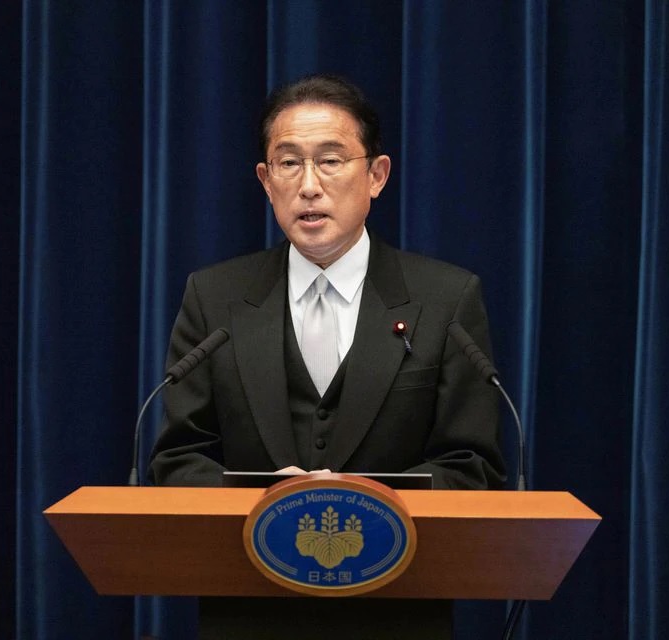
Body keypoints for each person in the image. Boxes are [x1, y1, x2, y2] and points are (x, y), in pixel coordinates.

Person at [149, 74, 505, 491]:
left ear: (377, 175)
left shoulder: (446, 300)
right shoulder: (213, 299)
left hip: (402, 551)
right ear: (266, 181)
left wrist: (366, 499)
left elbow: (472, 466)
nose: (309, 186)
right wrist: (259, 497)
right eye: (289, 163)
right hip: (244, 550)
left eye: (331, 161)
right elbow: (177, 460)